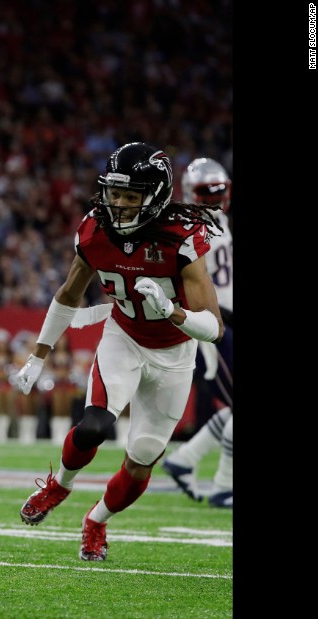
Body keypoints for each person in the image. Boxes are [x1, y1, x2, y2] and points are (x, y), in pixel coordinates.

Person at [12, 142, 224, 561]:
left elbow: (214, 327)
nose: (120, 205)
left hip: (175, 354)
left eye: (131, 196)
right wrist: (38, 355)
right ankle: (60, 484)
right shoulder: (95, 229)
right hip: (123, 339)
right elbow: (69, 293)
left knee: (142, 457)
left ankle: (97, 521)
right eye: (115, 194)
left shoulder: (181, 237)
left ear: (156, 196)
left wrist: (173, 311)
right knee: (93, 426)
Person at [160, 157, 234, 508]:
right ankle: (223, 486)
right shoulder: (191, 228)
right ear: (191, 193)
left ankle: (185, 459)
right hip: (215, 327)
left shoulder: (214, 222)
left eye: (220, 192)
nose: (216, 200)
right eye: (209, 194)